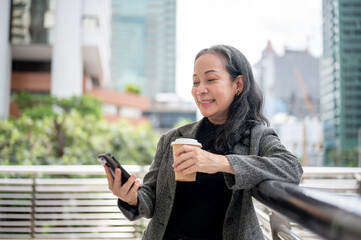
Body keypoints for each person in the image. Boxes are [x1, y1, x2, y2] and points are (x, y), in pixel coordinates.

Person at [104, 45, 303, 240]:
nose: (200, 90)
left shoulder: (256, 137)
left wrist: (221, 163)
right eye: (195, 82)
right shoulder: (172, 139)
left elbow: (292, 168)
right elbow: (150, 198)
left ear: (238, 85)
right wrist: (131, 197)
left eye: (211, 79)